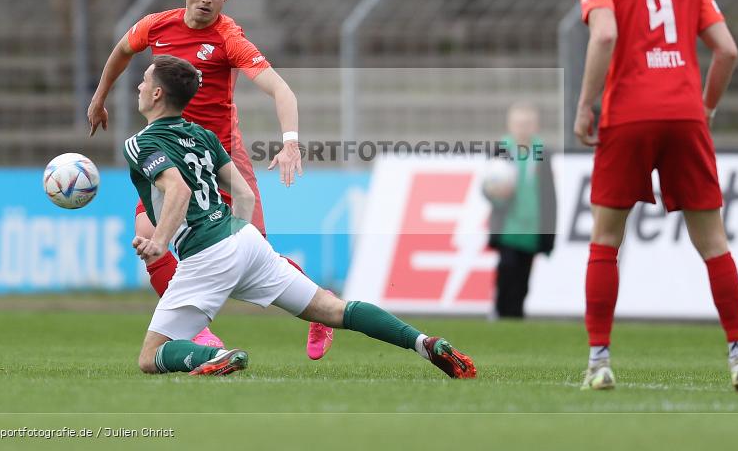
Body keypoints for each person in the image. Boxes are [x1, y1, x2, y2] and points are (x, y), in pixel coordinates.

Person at [128, 55, 477, 380]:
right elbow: (245, 193)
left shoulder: (141, 143)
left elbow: (179, 191)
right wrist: (238, 243)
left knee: (150, 356)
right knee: (333, 309)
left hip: (206, 253)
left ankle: (215, 356)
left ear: (157, 93)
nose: (139, 87)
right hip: (244, 239)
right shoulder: (203, 135)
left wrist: (160, 243)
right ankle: (424, 343)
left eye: (144, 81)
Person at [87, 0, 333, 360]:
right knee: (150, 237)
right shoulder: (157, 25)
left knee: (255, 255)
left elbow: (281, 90)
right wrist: (99, 99)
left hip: (220, 157)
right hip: (167, 154)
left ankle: (321, 310)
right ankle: (197, 332)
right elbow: (120, 51)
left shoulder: (229, 38)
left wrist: (290, 141)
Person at [574, 0, 738, 392]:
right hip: (684, 116)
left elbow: (605, 33)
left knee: (607, 238)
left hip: (629, 115)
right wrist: (704, 108)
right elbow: (727, 50)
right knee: (714, 241)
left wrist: (585, 105)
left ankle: (600, 362)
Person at [483, 103, 556, 318]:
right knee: (507, 266)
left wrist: (549, 231)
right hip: (508, 224)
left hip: (532, 225)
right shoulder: (501, 149)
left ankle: (516, 314)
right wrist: (496, 194)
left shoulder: (542, 152)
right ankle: (500, 310)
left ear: (535, 126)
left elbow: (549, 194)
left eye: (527, 124)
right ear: (510, 125)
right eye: (518, 123)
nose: (522, 128)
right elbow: (486, 185)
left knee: (523, 274)